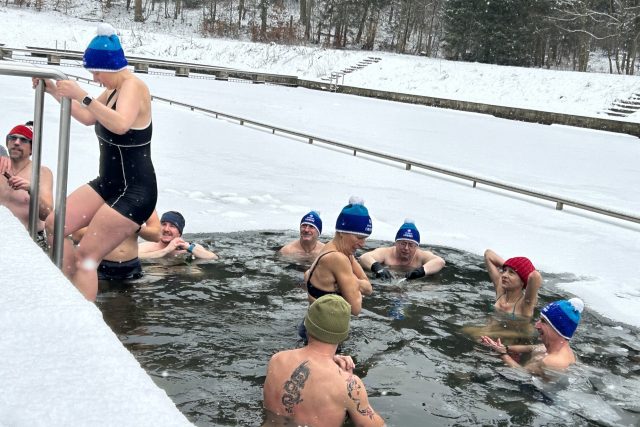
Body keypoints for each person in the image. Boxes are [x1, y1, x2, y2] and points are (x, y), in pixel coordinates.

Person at [36, 23, 157, 301]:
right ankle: (66, 287)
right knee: (55, 224)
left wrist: (83, 94)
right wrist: (54, 91)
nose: (95, 78)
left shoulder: (134, 87)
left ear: (110, 67)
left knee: (87, 257)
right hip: (109, 183)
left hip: (136, 191)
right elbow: (89, 116)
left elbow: (121, 124)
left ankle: (82, 316)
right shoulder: (114, 89)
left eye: (96, 72)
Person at [263, 294, 385, 427]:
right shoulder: (347, 384)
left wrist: (331, 361)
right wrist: (347, 378)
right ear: (344, 335)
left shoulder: (277, 360)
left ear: (307, 325)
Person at [303, 197, 373, 319]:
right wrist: (356, 283)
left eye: (365, 238)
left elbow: (369, 289)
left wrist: (352, 283)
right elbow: (356, 309)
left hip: (313, 324)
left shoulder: (335, 248)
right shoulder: (338, 258)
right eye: (359, 237)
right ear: (342, 232)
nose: (363, 244)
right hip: (323, 331)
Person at [480, 298, 584, 374]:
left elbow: (523, 375)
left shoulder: (552, 362)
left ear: (557, 330)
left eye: (543, 321)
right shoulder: (555, 348)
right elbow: (532, 348)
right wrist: (504, 348)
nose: (536, 325)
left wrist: (503, 355)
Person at [0, 122, 53, 249]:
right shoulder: (1, 164)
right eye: (12, 138)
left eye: (23, 140)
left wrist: (32, 189)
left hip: (30, 239)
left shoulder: (41, 173)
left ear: (32, 148)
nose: (16, 142)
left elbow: (47, 214)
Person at [73, 210, 161, 281]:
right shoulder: (98, 198)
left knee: (129, 302)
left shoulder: (142, 200)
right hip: (99, 265)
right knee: (97, 301)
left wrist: (137, 227)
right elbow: (76, 236)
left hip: (131, 267)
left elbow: (157, 236)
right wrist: (107, 225)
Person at [359, 219, 445, 281]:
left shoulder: (421, 255)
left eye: (411, 245)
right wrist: (379, 269)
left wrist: (420, 271)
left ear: (416, 247)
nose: (406, 248)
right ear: (396, 243)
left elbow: (439, 261)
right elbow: (364, 258)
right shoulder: (386, 252)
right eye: (403, 243)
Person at [484, 249, 543, 318]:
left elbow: (535, 276)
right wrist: (510, 265)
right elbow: (488, 254)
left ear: (522, 282)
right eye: (505, 270)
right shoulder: (501, 291)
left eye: (511, 272)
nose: (504, 275)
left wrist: (521, 270)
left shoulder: (525, 304)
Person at [138, 211, 218, 260]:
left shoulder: (188, 247)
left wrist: (189, 248)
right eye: (163, 224)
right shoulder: (147, 246)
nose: (166, 229)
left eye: (172, 226)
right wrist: (166, 251)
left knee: (196, 273)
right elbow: (131, 257)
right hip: (158, 273)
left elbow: (213, 257)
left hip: (179, 272)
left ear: (179, 233)